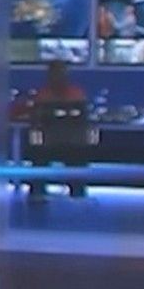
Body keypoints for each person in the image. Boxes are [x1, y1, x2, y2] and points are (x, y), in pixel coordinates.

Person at [25, 60, 92, 201]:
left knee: (75, 158)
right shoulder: (44, 95)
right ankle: (39, 193)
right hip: (53, 143)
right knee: (38, 156)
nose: (57, 77)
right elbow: (36, 119)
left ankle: (76, 193)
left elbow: (81, 117)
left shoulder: (74, 94)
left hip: (66, 143)